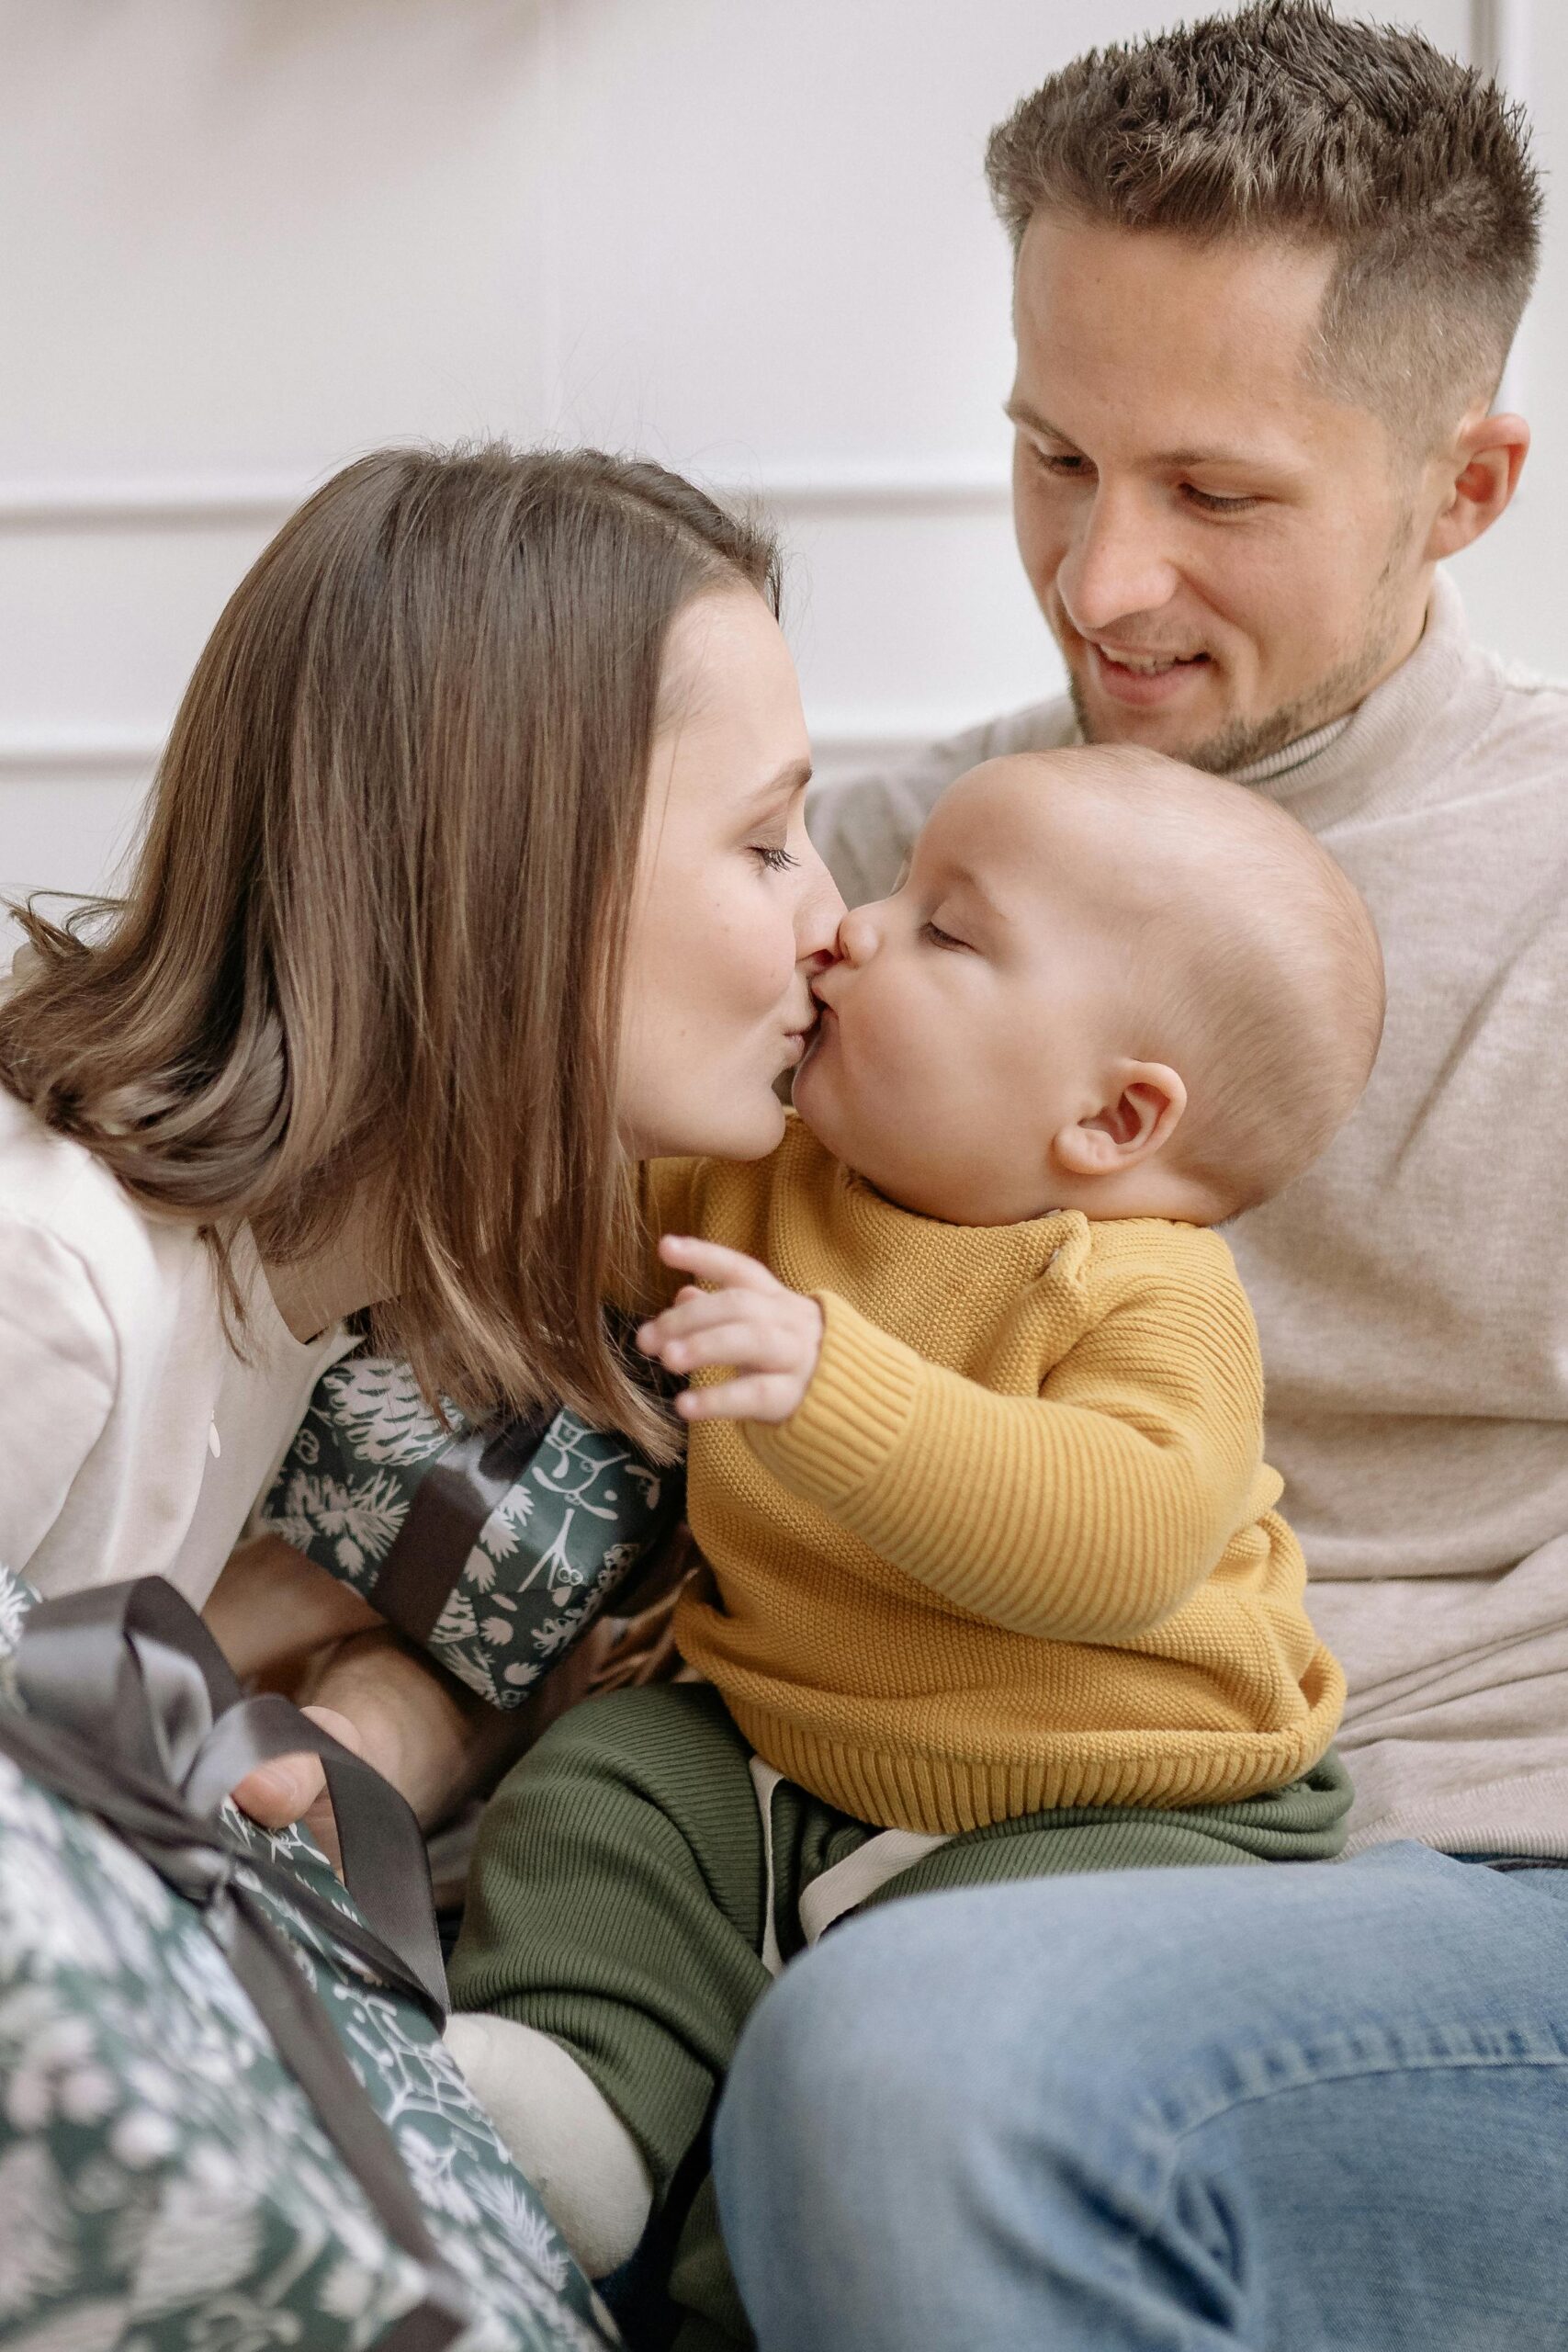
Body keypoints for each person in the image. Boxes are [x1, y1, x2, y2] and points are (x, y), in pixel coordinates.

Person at [709, 7, 1568, 2348]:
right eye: (1047, 457)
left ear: (1460, 486)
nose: (1098, 582)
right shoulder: (877, 873)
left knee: (912, 2074)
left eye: (1214, 492)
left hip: (1465, 1859)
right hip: (904, 1800)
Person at [442, 745, 1383, 2334]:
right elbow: (529, 1205)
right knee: (601, 1795)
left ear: (1113, 1114)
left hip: (1114, 1801)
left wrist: (835, 1387)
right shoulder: (756, 1180)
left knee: (931, 2033)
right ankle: (571, 2103)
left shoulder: (1139, 1286)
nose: (852, 930)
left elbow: (1126, 1538)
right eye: (889, 892)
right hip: (794, 1748)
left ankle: (766, 2274)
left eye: (944, 931)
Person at [0, 443, 841, 1831]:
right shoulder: (51, 1283)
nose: (835, 921)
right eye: (765, 846)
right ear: (513, 883)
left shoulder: (325, 1275)